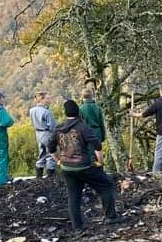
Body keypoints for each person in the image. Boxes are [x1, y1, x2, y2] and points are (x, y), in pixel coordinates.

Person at [50, 100, 122, 231]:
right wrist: (100, 162)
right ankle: (111, 217)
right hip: (84, 167)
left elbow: (50, 147)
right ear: (78, 112)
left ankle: (77, 227)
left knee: (73, 195)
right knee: (106, 186)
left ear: (66, 113)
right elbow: (97, 145)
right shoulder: (83, 127)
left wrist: (58, 161)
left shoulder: (59, 128)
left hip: (67, 168)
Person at [29, 91, 57, 179]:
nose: (49, 100)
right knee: (50, 154)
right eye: (47, 98)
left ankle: (39, 176)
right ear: (42, 99)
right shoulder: (46, 112)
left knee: (41, 153)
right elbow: (52, 126)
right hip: (47, 133)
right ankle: (50, 177)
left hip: (38, 133)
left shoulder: (32, 110)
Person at [79, 88, 106, 164]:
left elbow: (80, 124)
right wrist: (103, 136)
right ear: (92, 96)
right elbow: (101, 123)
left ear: (83, 97)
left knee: (89, 153)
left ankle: (91, 168)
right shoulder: (97, 108)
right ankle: (99, 168)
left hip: (86, 132)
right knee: (98, 152)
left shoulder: (81, 108)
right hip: (97, 132)